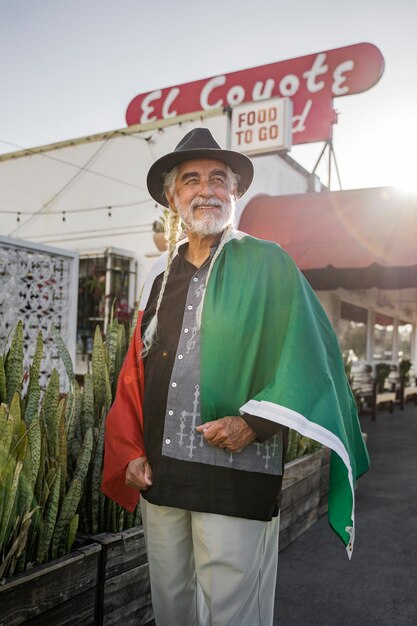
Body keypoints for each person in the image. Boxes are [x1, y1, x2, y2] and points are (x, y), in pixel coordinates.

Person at [102, 128, 369, 626]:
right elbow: (136, 374)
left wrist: (255, 423)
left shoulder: (269, 263)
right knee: (173, 607)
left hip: (233, 473)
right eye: (191, 179)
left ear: (235, 192)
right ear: (172, 195)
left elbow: (312, 357)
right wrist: (130, 450)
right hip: (162, 479)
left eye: (218, 179)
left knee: (231, 616)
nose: (206, 189)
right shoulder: (160, 280)